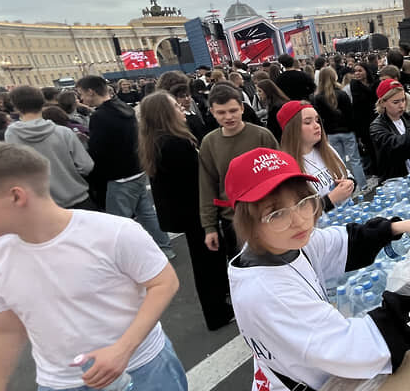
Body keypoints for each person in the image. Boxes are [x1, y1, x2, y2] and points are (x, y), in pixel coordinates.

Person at [223, 147, 410, 390]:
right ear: (246, 222)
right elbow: (363, 349)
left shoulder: (277, 245)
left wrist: (396, 228)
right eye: (276, 213)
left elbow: (344, 242)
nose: (299, 220)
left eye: (303, 202)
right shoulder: (269, 293)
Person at [0, 143, 187, 391]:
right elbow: (3, 329)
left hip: (143, 370)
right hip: (59, 384)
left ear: (16, 196)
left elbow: (164, 282)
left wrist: (122, 349)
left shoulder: (114, 233)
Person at [138, 93, 235, 331]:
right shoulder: (174, 143)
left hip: (183, 212)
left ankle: (220, 304)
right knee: (207, 263)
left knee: (207, 261)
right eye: (174, 105)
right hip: (194, 212)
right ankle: (217, 312)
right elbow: (197, 180)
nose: (180, 107)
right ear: (164, 112)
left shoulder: (156, 140)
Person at [77, 75, 174, 257]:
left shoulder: (99, 117)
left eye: (81, 93)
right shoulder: (123, 108)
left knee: (118, 222)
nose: (81, 98)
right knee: (146, 213)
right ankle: (165, 248)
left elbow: (98, 151)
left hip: (118, 176)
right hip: (137, 169)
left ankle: (128, 259)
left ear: (91, 91)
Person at [199, 84, 279, 261]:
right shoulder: (209, 143)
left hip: (266, 216)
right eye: (221, 112)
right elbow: (207, 186)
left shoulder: (262, 136)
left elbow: (280, 177)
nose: (228, 117)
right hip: (232, 220)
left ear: (242, 108)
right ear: (212, 112)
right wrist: (209, 227)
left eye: (233, 110)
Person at [5, 86, 98, 211]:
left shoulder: (11, 134)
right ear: (43, 103)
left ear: (15, 107)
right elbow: (86, 165)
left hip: (43, 203)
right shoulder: (64, 132)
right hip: (77, 197)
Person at [277, 100, 356, 211]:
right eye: (308, 122)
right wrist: (331, 199)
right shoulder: (287, 166)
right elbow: (298, 212)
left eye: (317, 120)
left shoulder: (326, 149)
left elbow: (347, 174)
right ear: (292, 129)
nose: (317, 126)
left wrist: (349, 183)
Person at [312, 67, 368, 189]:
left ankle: (345, 188)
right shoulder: (342, 94)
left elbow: (320, 118)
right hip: (347, 131)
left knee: (339, 162)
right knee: (355, 160)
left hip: (331, 133)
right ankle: (363, 186)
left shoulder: (318, 98)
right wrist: (356, 131)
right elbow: (350, 114)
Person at [349, 62, 378, 177]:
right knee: (370, 148)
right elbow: (357, 106)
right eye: (355, 71)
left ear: (366, 71)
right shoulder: (355, 85)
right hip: (364, 122)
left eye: (360, 70)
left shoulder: (374, 82)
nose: (357, 73)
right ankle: (375, 170)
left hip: (376, 117)